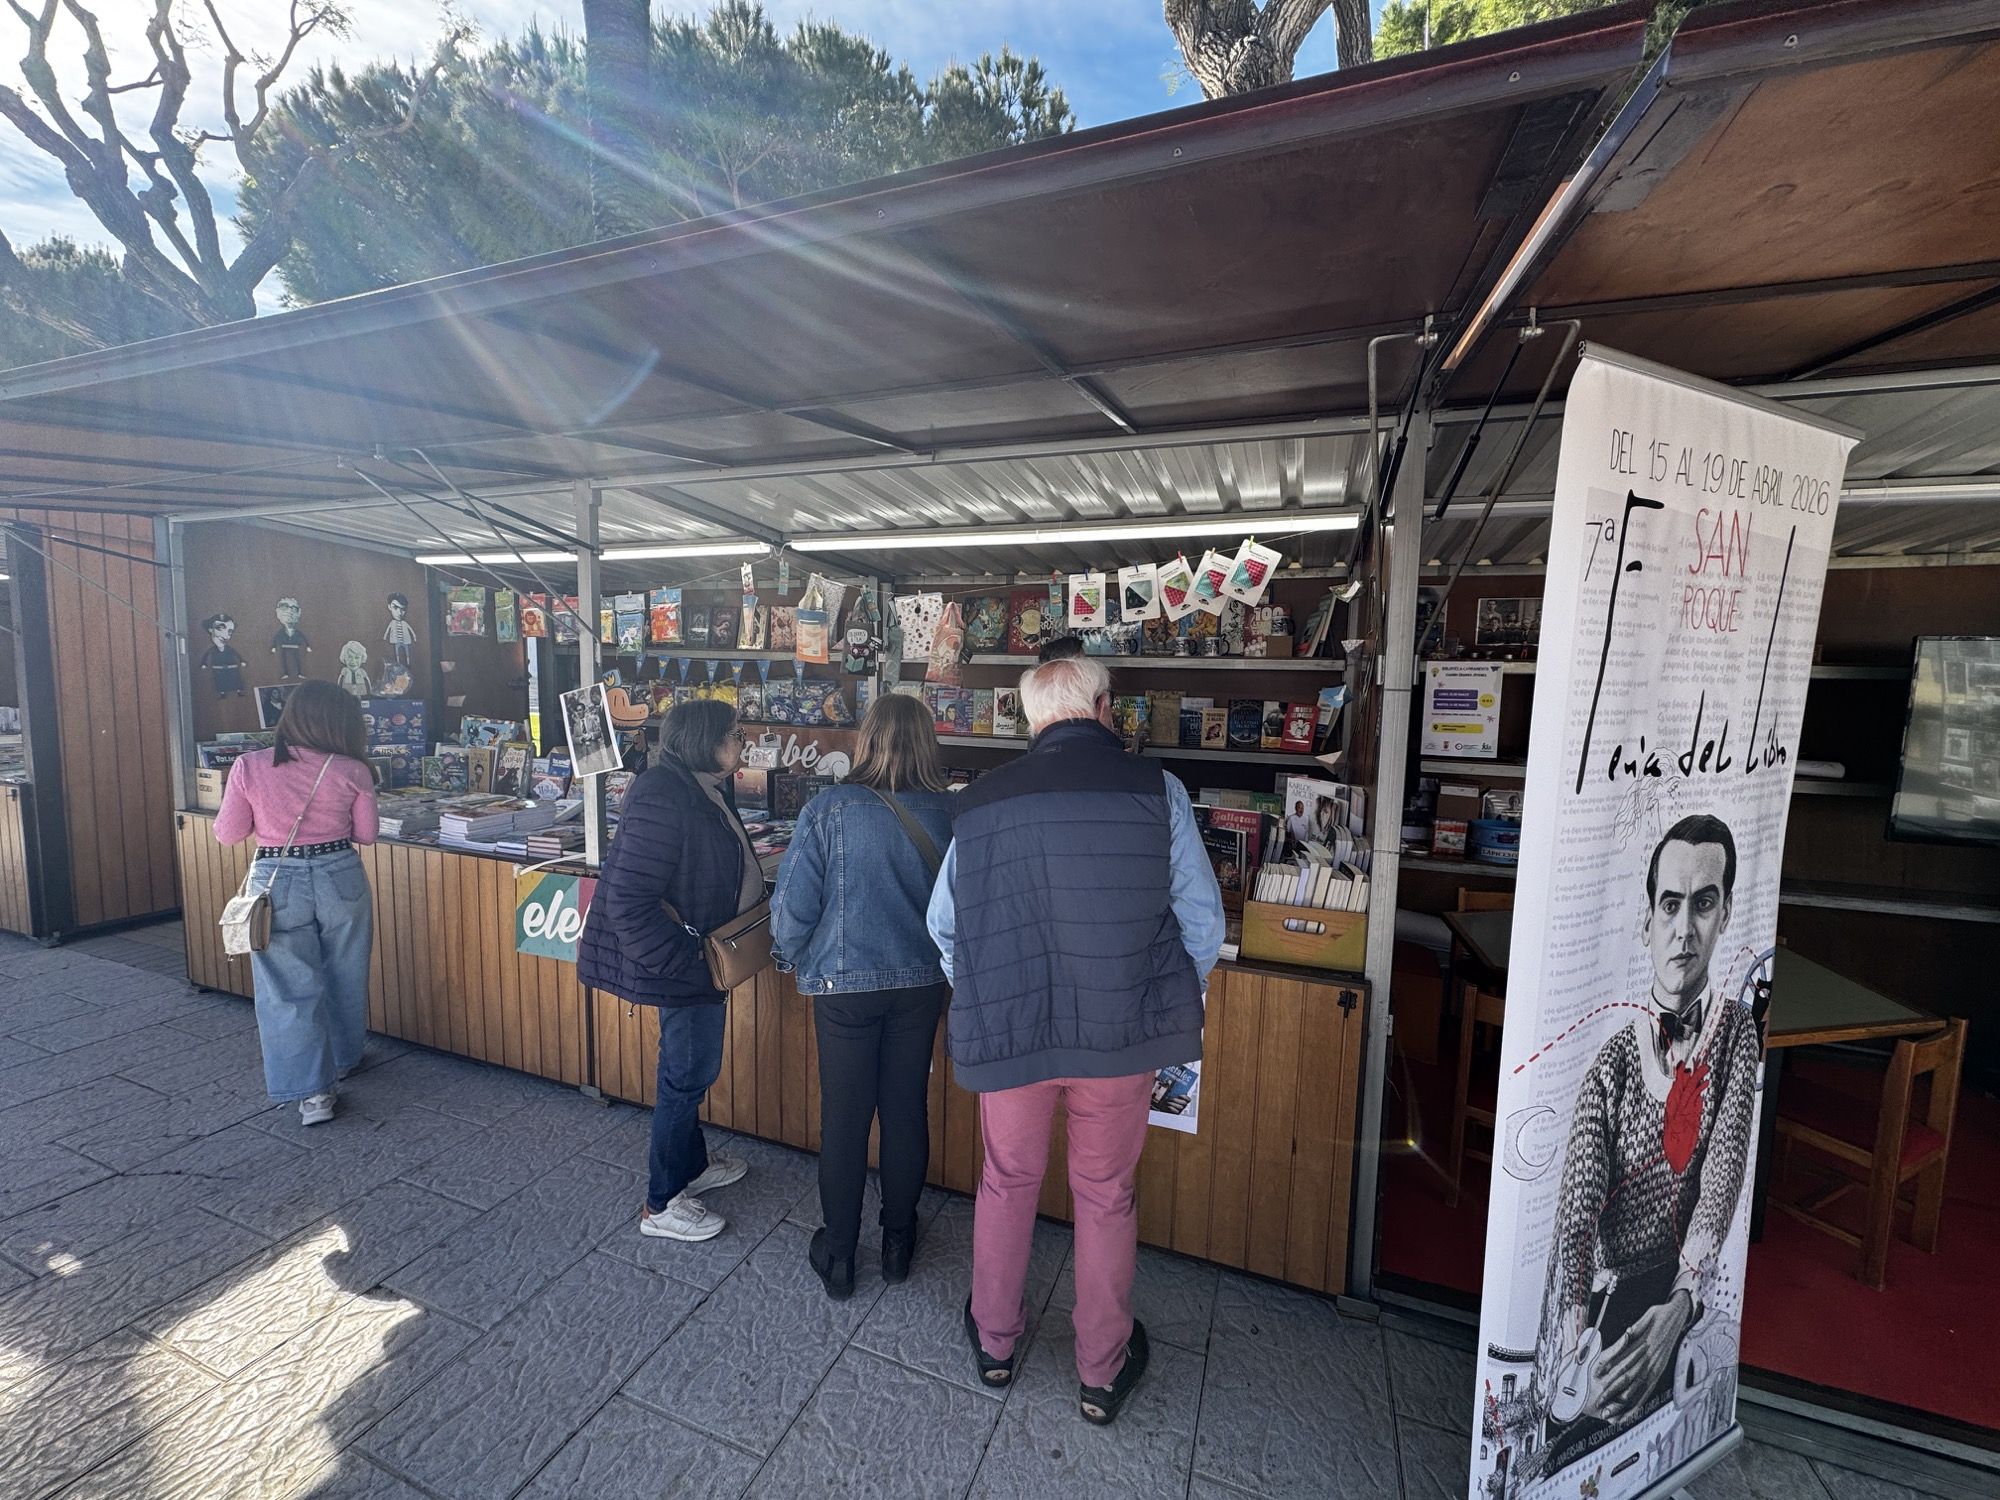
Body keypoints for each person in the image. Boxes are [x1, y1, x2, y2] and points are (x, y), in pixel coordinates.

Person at [928, 654, 1224, 1424]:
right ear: (1103, 708)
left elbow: (945, 926)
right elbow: (1202, 923)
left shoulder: (981, 801)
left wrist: (987, 990)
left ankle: (994, 1344)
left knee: (1006, 1181)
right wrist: (1158, 992)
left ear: (1031, 719)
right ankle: (1101, 1369)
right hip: (1119, 1034)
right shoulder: (1156, 792)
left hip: (1013, 1035)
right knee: (1106, 1196)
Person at [1530, 813, 1760, 1477]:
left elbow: (1723, 1168)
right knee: (1568, 1447)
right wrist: (1578, 1322)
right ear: (1646, 921)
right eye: (1670, 905)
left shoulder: (1737, 1034)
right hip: (1605, 1303)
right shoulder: (1612, 1063)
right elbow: (1576, 1207)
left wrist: (1683, 1299)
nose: (1684, 929)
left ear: (1725, 915)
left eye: (1704, 904)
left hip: (1681, 1288)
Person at [771, 694, 955, 1299]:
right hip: (924, 984)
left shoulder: (829, 809)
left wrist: (793, 956)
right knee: (906, 1109)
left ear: (866, 739)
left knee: (845, 1120)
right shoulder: (952, 817)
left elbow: (793, 911)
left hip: (844, 987)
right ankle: (899, 1243)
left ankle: (842, 1255)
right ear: (928, 743)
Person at [579, 699, 763, 1243]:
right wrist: (684, 964)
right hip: (686, 968)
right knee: (684, 1076)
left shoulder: (701, 783)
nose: (742, 741)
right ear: (704, 739)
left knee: (694, 1071)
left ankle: (692, 1167)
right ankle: (661, 1203)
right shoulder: (664, 793)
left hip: (701, 961)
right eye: (733, 733)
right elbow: (628, 901)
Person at [212, 680, 379, 1126]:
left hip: (275, 879)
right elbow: (366, 834)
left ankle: (314, 1094)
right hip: (340, 874)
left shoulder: (250, 766)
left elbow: (227, 834)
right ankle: (345, 1058)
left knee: (286, 987)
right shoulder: (353, 770)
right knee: (347, 971)